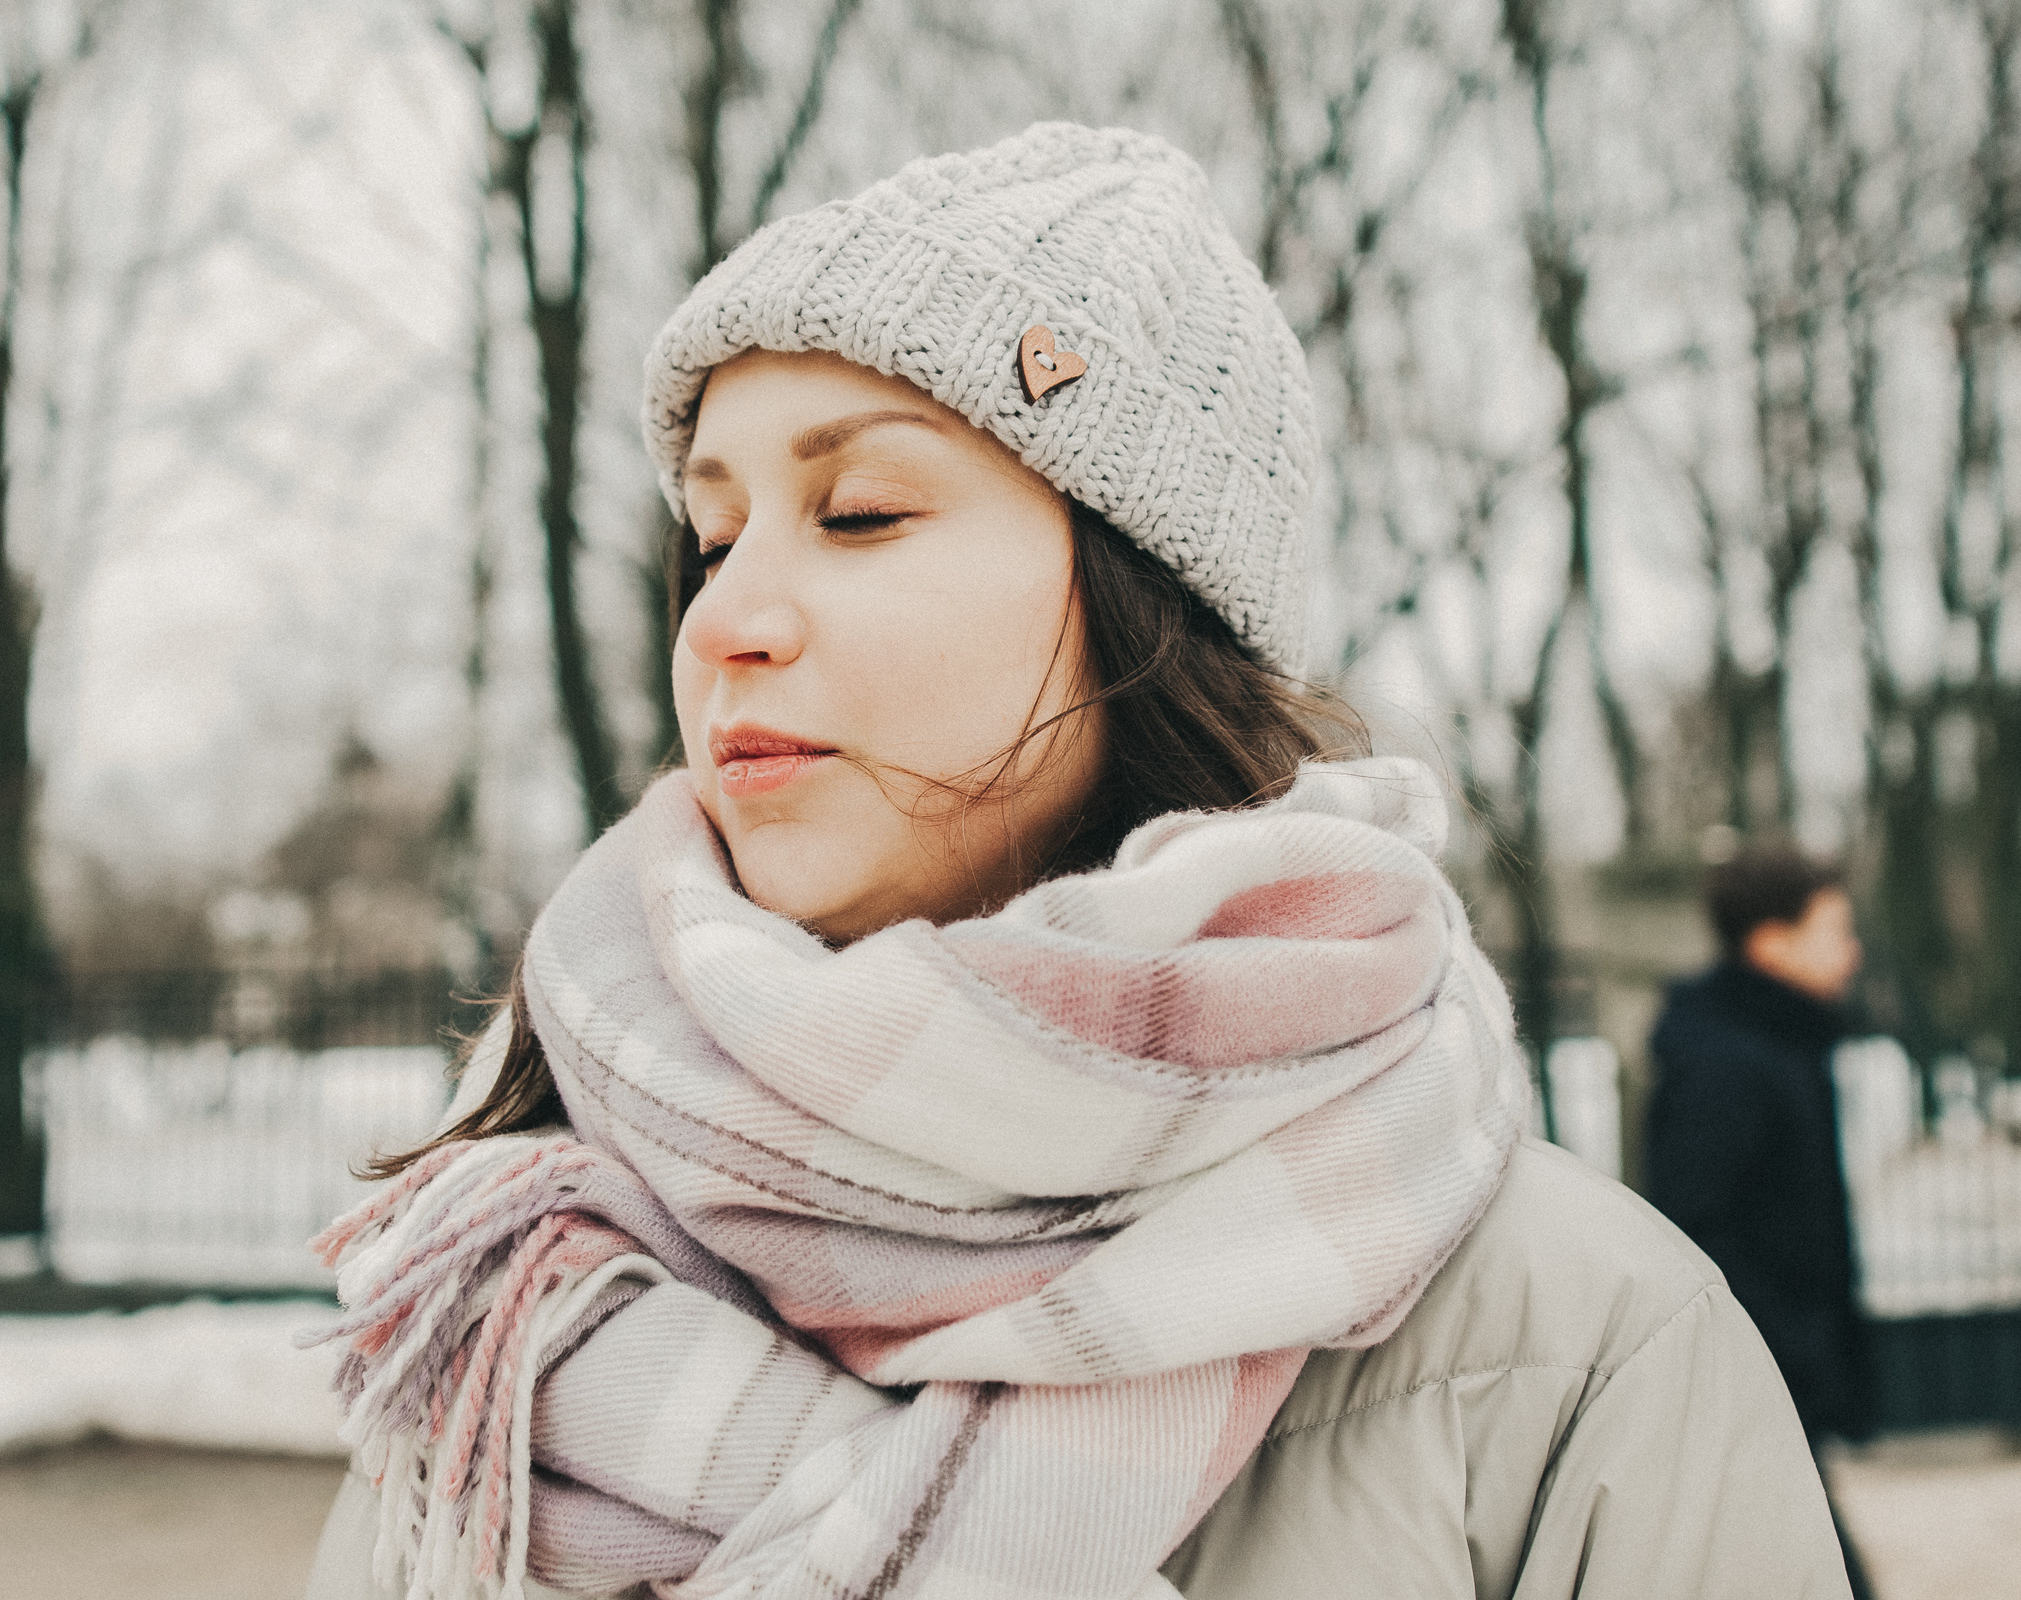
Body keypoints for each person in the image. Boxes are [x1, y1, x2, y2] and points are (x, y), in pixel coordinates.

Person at [305, 124, 1847, 1600]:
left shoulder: (1575, 1342)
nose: (723, 620)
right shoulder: (526, 1299)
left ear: (1141, 599)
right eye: (711, 538)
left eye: (859, 511)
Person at [1647, 847, 1876, 1598]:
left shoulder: (1779, 1042)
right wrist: (1789, 1346)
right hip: (1761, 1368)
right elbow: (1694, 1224)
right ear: (1771, 941)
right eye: (1834, 928)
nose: (1853, 950)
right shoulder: (1728, 1060)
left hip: (1784, 1363)